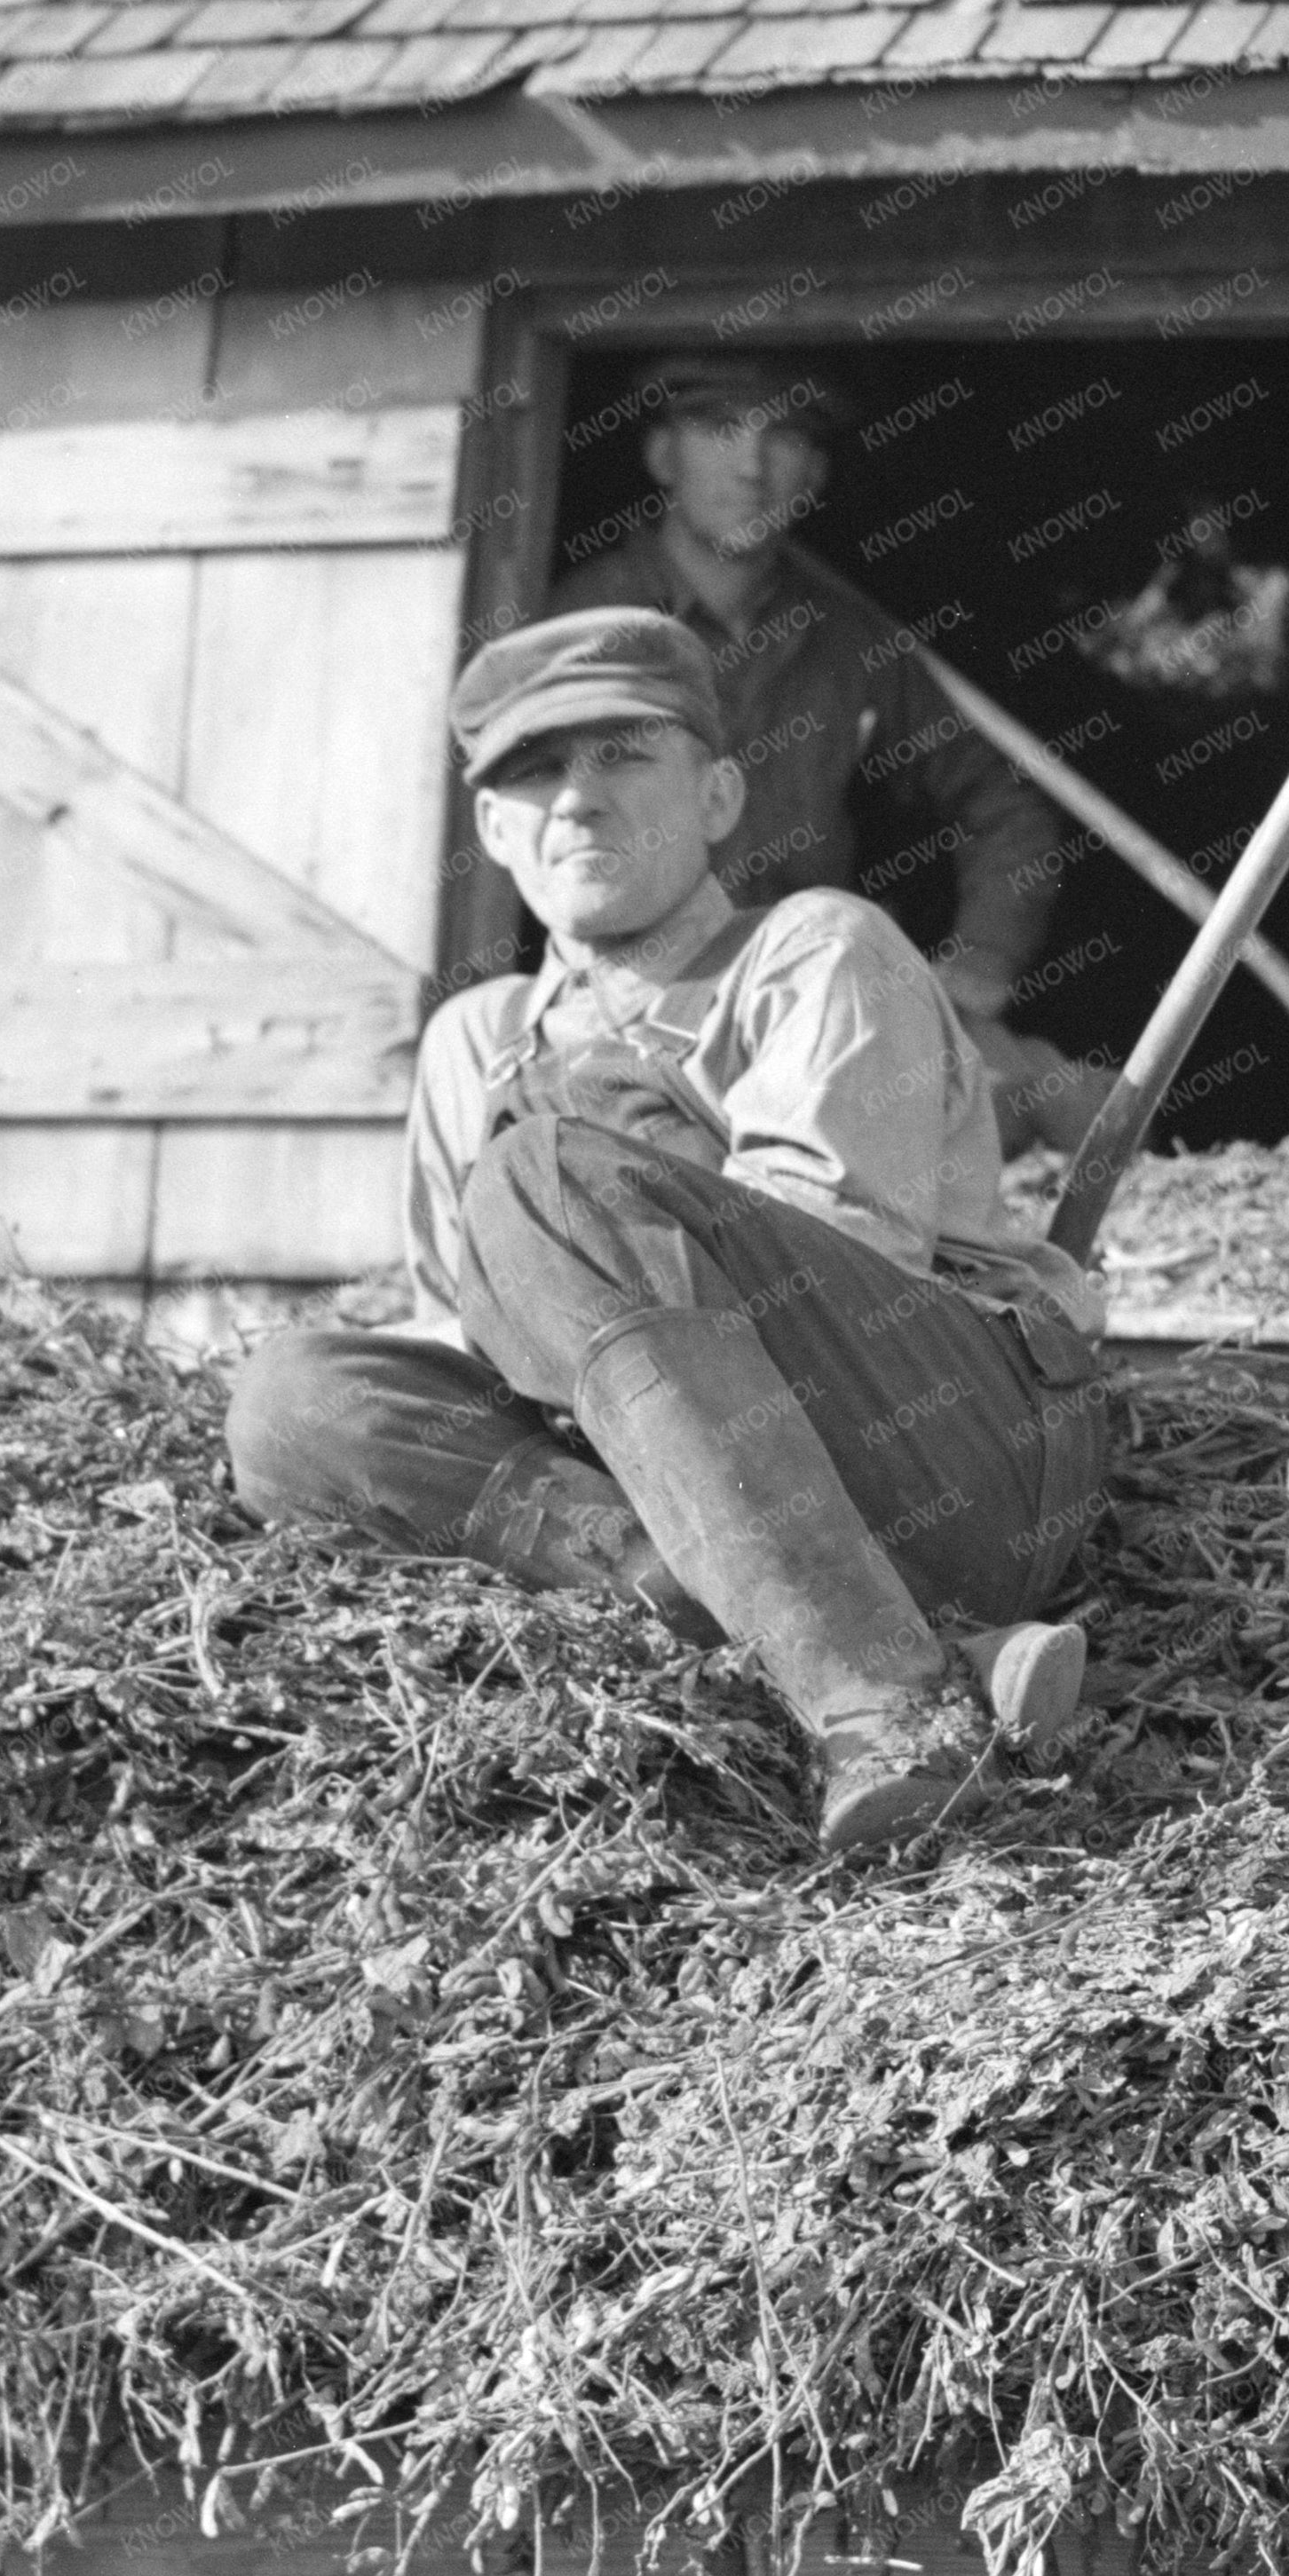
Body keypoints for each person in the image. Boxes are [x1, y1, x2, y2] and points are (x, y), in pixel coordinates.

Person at [228, 609, 1111, 1857]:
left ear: (718, 795)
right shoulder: (474, 1043)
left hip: (947, 1445)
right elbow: (464, 1342)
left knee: (541, 1176)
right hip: (698, 1489)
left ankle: (890, 1711)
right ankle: (894, 1638)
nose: (577, 801)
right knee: (288, 1399)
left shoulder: (812, 950)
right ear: (494, 829)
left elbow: (843, 1260)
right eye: (536, 772)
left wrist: (592, 1184)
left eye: (623, 756)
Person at [525, 352, 1119, 1149]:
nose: (751, 466)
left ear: (815, 474)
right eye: (719, 429)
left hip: (811, 991)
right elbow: (510, 825)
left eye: (786, 438)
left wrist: (980, 962)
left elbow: (1004, 810)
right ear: (662, 455)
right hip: (635, 1003)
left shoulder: (850, 638)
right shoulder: (581, 627)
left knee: (1075, 1104)